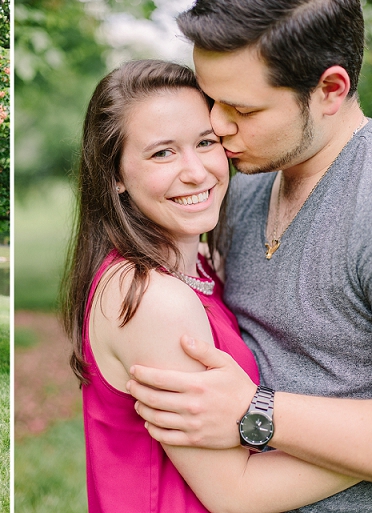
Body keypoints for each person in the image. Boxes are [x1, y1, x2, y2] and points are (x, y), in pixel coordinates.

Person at [61, 58, 358, 513]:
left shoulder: (196, 264)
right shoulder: (150, 299)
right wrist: (360, 446)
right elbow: (236, 493)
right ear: (116, 176)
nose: (196, 172)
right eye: (162, 152)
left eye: (205, 142)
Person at [124, 0, 372, 511]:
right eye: (212, 99)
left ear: (329, 90)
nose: (216, 124)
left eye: (243, 110)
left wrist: (255, 411)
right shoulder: (243, 185)